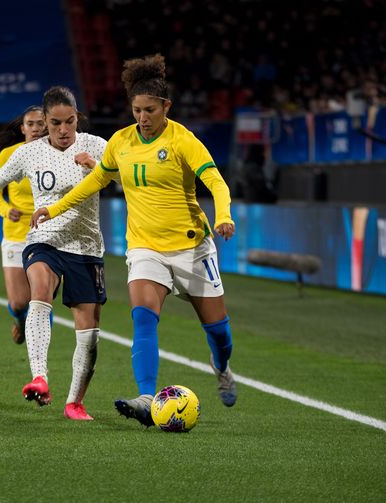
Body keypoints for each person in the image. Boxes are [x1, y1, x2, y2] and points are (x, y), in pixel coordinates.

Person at [31, 54, 238, 427]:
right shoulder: (121, 142)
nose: (142, 117)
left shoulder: (183, 141)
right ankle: (146, 396)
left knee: (218, 331)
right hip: (145, 247)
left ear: (166, 107)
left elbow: (216, 182)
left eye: (150, 110)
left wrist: (223, 215)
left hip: (192, 247)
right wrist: (55, 208)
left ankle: (220, 366)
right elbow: (95, 181)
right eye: (137, 110)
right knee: (142, 317)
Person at [0, 86, 108, 421]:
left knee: (88, 335)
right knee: (38, 292)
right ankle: (39, 377)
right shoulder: (30, 153)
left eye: (69, 122)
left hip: (86, 248)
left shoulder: (96, 145)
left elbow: (123, 177)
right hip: (43, 240)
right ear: (44, 121)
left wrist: (99, 168)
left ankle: (74, 402)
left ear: (77, 118)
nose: (62, 130)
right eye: (55, 122)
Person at [0, 106, 46, 344]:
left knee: (42, 300)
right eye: (30, 124)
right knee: (19, 302)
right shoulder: (9, 154)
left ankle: (39, 356)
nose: (35, 128)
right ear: (22, 128)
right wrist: (5, 210)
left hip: (47, 234)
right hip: (16, 234)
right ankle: (20, 321)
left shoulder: (58, 155)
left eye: (40, 123)